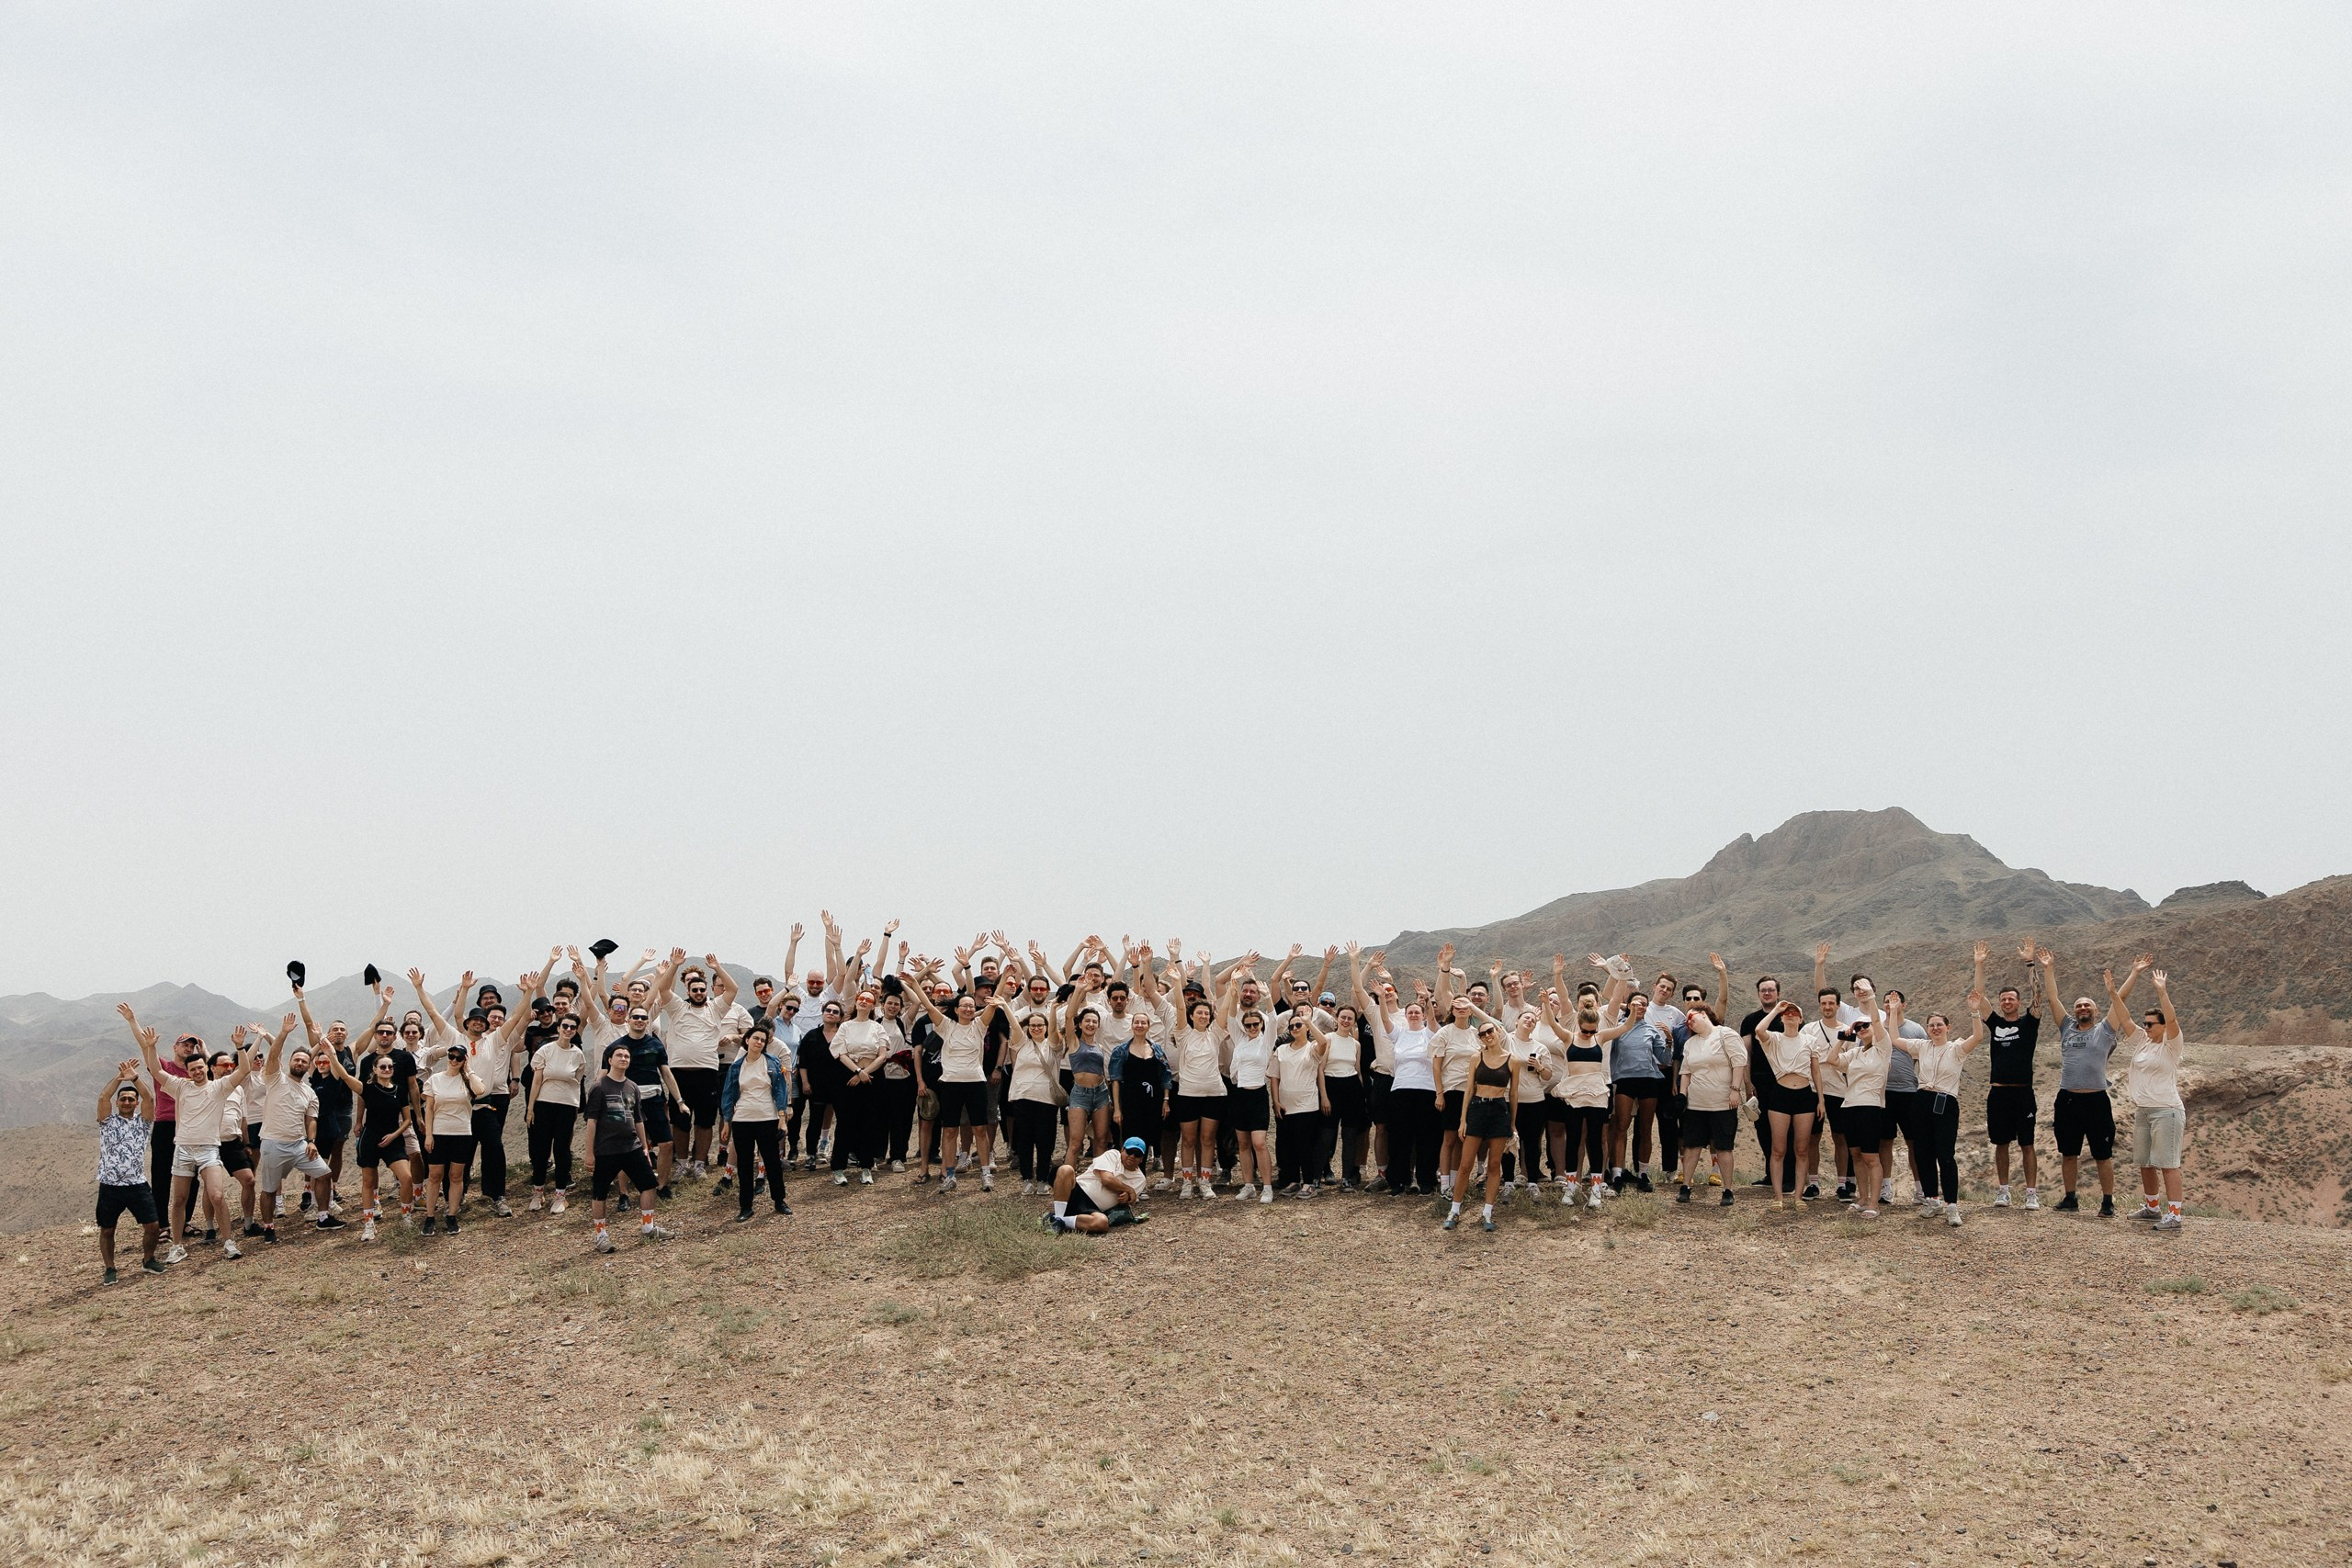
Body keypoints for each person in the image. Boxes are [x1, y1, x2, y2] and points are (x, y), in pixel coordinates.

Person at [126, 1004, 258, 1262]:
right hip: (183, 1148)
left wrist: (240, 1047)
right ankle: (177, 1246)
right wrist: (151, 1046)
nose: (197, 1072)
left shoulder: (219, 1087)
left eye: (200, 1068)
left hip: (209, 1149)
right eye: (193, 1069)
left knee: (217, 1195)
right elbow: (156, 1070)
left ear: (206, 1068)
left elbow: (243, 1070)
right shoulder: (180, 1087)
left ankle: (228, 1242)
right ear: (188, 1072)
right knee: (179, 1199)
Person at [2030, 944, 2120, 1216]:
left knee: (2102, 1155)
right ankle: (2070, 1199)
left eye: (2087, 1005)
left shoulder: (2105, 1030)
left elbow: (2120, 1002)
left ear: (2095, 1010)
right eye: (2079, 1005)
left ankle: (2107, 1202)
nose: (2082, 1008)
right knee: (2068, 1153)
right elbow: (2053, 999)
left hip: (2096, 1100)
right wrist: (2049, 969)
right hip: (2067, 1099)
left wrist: (2121, 983)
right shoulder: (2067, 1027)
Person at [905, 964, 1011, 1191]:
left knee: (980, 1129)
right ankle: (950, 1175)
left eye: (971, 1006)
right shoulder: (945, 1026)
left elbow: (993, 1002)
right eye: (964, 1006)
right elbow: (926, 1003)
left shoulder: (980, 1026)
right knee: (950, 1130)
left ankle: (985, 1174)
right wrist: (914, 983)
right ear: (956, 1009)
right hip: (950, 1084)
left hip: (976, 1084)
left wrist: (1005, 978)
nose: (968, 1009)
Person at [253, 1010, 344, 1240]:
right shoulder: (275, 1078)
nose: (300, 1063)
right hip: (273, 1144)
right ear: (289, 1062)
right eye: (297, 1060)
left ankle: (323, 1217)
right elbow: (273, 1055)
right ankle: (269, 1228)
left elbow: (311, 1119)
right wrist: (282, 1033)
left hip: (298, 1146)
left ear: (308, 1065)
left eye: (304, 1061)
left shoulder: (309, 1092)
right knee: (269, 1189)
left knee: (324, 1174)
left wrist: (311, 1141)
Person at [2113, 959, 2188, 1230]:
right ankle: (2152, 1208)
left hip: (2166, 1110)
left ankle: (2175, 1215)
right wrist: (2113, 992)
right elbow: (2124, 1019)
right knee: (2145, 1162)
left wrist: (2162, 991)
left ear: (2162, 1026)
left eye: (2150, 1024)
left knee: (2167, 1163)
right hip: (2143, 1110)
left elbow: (2172, 1018)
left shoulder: (2171, 1044)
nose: (2145, 1027)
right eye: (2144, 1023)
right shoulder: (2143, 1041)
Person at [652, 951, 741, 1179]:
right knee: (680, 1122)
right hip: (679, 1074)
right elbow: (663, 989)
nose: (699, 993)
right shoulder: (677, 1008)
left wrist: (717, 967)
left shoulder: (716, 1008)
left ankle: (699, 1164)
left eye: (702, 990)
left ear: (706, 991)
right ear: (688, 991)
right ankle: (682, 1164)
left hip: (708, 1072)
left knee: (704, 1121)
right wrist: (674, 965)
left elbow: (732, 989)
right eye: (695, 990)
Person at [582, 1043, 675, 1251]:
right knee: (600, 1192)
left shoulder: (632, 1087)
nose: (623, 1059)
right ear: (610, 1060)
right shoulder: (599, 1086)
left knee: (649, 1185)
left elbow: (638, 1119)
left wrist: (644, 1147)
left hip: (631, 1146)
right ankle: (601, 1236)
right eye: (619, 1055)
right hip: (606, 1149)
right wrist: (589, 1153)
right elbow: (592, 1122)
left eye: (627, 1056)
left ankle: (648, 1227)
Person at [1975, 939, 2045, 1210]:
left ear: (2018, 1002)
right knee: (2001, 1143)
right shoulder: (1995, 1023)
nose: (2006, 1002)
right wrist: (1979, 965)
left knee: (2027, 1144)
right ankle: (2003, 1191)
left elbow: (2038, 995)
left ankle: (2031, 1193)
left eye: (2011, 999)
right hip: (1998, 1092)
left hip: (2023, 1092)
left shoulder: (2030, 1022)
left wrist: (2030, 963)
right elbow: (1979, 999)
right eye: (2003, 999)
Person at [316, 1044, 413, 1240]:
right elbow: (344, 1076)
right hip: (370, 1138)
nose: (387, 1070)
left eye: (390, 1067)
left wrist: (395, 1135)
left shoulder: (400, 1090)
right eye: (383, 1067)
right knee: (368, 1182)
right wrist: (332, 1057)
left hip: (392, 1139)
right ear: (375, 1070)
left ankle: (406, 1217)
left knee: (407, 1178)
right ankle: (368, 1224)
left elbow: (407, 1119)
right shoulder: (367, 1088)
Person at [1900, 1003, 1981, 1227]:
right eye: (1931, 1025)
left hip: (1945, 1102)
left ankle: (1952, 1206)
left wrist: (1975, 1012)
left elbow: (1978, 1036)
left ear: (1948, 1027)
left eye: (1939, 1025)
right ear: (1927, 1028)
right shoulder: (1921, 1047)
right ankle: (1932, 1200)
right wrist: (1895, 1012)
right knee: (1923, 1153)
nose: (1935, 1028)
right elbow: (1894, 1040)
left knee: (1945, 1155)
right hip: (1921, 1100)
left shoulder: (1957, 1049)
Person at [1544, 961, 1611, 1208]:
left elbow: (1624, 1027)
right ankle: (1571, 1186)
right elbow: (1554, 1020)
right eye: (1585, 1030)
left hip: (1596, 1094)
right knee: (1573, 1140)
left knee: (1595, 1141)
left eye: (1591, 1031)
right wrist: (1551, 989)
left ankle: (1595, 1189)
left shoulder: (1601, 1033)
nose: (1588, 1033)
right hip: (1573, 1094)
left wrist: (1634, 1013)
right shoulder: (1569, 1032)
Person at [1444, 1017, 1520, 1232]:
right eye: (1482, 1034)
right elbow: (1469, 1089)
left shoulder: (1512, 1060)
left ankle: (1487, 1212)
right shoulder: (1476, 1057)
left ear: (1498, 1031)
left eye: (1490, 1031)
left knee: (1495, 1164)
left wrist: (1512, 1124)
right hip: (1477, 1108)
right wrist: (1462, 1120)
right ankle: (1455, 1210)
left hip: (1499, 1109)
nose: (1487, 1036)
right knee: (1466, 1164)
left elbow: (1513, 1094)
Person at [1169, 962, 1236, 1198]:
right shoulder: (1183, 1033)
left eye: (1207, 1013)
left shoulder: (1215, 1034)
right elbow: (1178, 1007)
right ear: (1192, 1016)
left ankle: (1204, 1182)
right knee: (1188, 1140)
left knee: (1207, 1139)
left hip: (1214, 1094)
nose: (1204, 1016)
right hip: (1187, 1094)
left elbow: (1225, 1011)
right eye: (1199, 1012)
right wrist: (1178, 982)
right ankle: (1187, 1183)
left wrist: (1233, 987)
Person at [94, 1061, 162, 1281]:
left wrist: (134, 1078)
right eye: (123, 1099)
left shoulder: (143, 1123)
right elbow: (103, 1098)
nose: (126, 1102)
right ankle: (110, 1268)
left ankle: (148, 1260)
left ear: (136, 1103)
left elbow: (150, 1099)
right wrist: (119, 1078)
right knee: (107, 1230)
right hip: (110, 1185)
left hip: (136, 1184)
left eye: (131, 1099)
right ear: (117, 1102)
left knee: (152, 1226)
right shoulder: (107, 1121)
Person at [1673, 1003, 1747, 1205]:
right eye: (1686, 1021)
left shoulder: (1726, 1034)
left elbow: (1739, 1062)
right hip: (1696, 1103)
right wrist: (1682, 1096)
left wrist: (1735, 1090)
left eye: (1692, 1017)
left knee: (1724, 1147)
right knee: (1692, 1146)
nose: (1689, 1023)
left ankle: (1728, 1190)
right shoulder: (1690, 1043)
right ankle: (1686, 1186)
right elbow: (1686, 1072)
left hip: (1722, 1102)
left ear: (1704, 1014)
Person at [718, 1021, 793, 1222]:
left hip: (767, 1118)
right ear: (747, 1040)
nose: (759, 1042)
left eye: (762, 1039)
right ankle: (746, 1206)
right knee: (744, 1164)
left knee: (772, 1161)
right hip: (743, 1119)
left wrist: (782, 1118)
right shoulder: (736, 1067)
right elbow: (729, 1095)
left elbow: (780, 1090)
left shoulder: (772, 1063)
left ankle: (779, 1200)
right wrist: (727, 1122)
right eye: (755, 1038)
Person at [1752, 1000, 1820, 1212]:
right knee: (1778, 1149)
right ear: (1782, 1019)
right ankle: (1778, 1197)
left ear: (1801, 1019)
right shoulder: (1774, 1039)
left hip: (1805, 1095)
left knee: (1801, 1149)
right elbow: (1758, 1029)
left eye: (1794, 1013)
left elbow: (1816, 1071)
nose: (1790, 1015)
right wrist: (1776, 1009)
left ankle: (1798, 1196)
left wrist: (1822, 1100)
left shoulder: (1810, 1040)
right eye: (1787, 1013)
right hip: (1780, 1094)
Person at [419, 1028, 486, 1235]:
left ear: (464, 1059)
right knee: (435, 1175)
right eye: (451, 1056)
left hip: (462, 1133)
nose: (454, 1060)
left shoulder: (467, 1080)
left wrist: (468, 1070)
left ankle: (452, 1215)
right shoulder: (435, 1080)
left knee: (456, 1176)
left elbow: (480, 1090)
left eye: (458, 1057)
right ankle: (430, 1217)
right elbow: (429, 1109)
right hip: (439, 1132)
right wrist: (429, 1135)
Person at [1829, 1013, 1893, 1221]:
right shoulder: (1854, 1053)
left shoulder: (1883, 1049)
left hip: (1870, 1107)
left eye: (1865, 1025)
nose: (1862, 1029)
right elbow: (1832, 1060)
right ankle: (1863, 1198)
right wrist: (1842, 1038)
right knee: (1855, 1154)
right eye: (1858, 1028)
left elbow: (1876, 1022)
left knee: (1871, 1157)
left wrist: (1873, 1017)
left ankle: (1874, 1203)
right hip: (1849, 1106)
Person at [526, 1010, 591, 1213]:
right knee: (541, 1151)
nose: (569, 1030)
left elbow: (578, 1079)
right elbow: (536, 1080)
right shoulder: (545, 1051)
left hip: (567, 1106)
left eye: (573, 1027)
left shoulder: (578, 1054)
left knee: (562, 1150)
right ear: (558, 1028)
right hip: (544, 1104)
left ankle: (560, 1195)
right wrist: (530, 1108)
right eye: (565, 1026)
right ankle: (538, 1192)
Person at [1270, 1010, 1329, 1198]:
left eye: (1298, 1025)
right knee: (1288, 1146)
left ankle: (1309, 1183)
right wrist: (1276, 1101)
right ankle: (1293, 1181)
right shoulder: (1281, 1050)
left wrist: (1309, 1021)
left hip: (1307, 1106)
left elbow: (1324, 1042)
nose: (1295, 1028)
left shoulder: (1312, 1049)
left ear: (1306, 1028)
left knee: (1306, 1146)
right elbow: (1274, 1077)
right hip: (1286, 1106)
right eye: (1292, 1026)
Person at [1110, 1010, 1170, 1191]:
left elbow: (1165, 1077)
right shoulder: (1121, 1051)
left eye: (1143, 1023)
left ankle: (1142, 1181)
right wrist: (1117, 1109)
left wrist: (1166, 1100)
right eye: (1137, 1022)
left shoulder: (1157, 1050)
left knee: (1150, 1139)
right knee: (1133, 1141)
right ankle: (1135, 1184)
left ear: (1148, 1026)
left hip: (1153, 1103)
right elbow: (1115, 1080)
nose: (1139, 1025)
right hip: (1131, 1104)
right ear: (1132, 1025)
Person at [1045, 1136, 1151, 1234]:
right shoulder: (1113, 1155)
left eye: (1137, 1154)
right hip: (1077, 1191)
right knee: (1066, 1169)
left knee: (1102, 1223)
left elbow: (1128, 1201)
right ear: (1122, 1150)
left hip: (1093, 1209)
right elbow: (1107, 1180)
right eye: (1130, 1151)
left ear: (1142, 1159)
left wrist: (1127, 1197)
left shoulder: (1140, 1179)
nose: (1132, 1156)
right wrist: (1129, 1190)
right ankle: (1059, 1217)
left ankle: (1056, 1220)